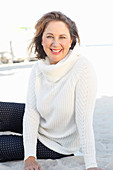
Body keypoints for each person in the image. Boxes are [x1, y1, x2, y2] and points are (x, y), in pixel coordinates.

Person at [0, 11, 103, 170]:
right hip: (42, 122)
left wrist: (91, 165)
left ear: (71, 41)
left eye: (62, 37)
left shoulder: (82, 68)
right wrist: (29, 157)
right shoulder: (38, 68)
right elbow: (32, 113)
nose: (55, 43)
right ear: (42, 40)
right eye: (50, 36)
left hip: (57, 145)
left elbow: (84, 122)